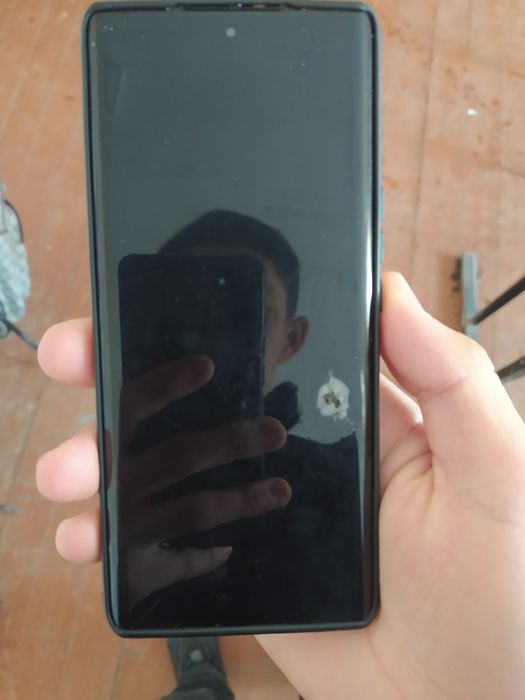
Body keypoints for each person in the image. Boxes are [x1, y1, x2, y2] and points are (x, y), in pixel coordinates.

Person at [36, 270, 525, 700]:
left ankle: (201, 677)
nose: (214, 336)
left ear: (292, 338)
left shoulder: (341, 464)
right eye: (190, 311)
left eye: (242, 310)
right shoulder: (345, 461)